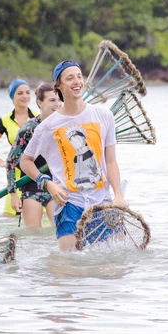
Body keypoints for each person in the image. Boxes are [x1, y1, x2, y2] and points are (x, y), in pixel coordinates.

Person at [20, 60, 127, 250]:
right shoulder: (47, 126)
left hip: (102, 203)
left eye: (79, 76)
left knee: (115, 268)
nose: (77, 81)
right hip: (69, 206)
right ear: (59, 86)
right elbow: (25, 161)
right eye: (70, 78)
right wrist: (47, 183)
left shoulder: (103, 116)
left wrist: (118, 195)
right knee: (69, 268)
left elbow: (111, 161)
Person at [5, 84, 62, 227]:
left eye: (59, 100)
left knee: (58, 232)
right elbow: (11, 162)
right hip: (32, 187)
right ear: (40, 103)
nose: (57, 104)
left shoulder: (64, 125)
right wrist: (13, 194)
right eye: (52, 100)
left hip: (56, 185)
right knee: (33, 235)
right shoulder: (29, 128)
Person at [0, 79, 38, 216]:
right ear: (12, 97)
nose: (24, 96)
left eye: (27, 92)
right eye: (20, 93)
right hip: (15, 176)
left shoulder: (39, 117)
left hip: (35, 173)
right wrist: (2, 162)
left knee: (39, 222)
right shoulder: (5, 120)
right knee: (10, 218)